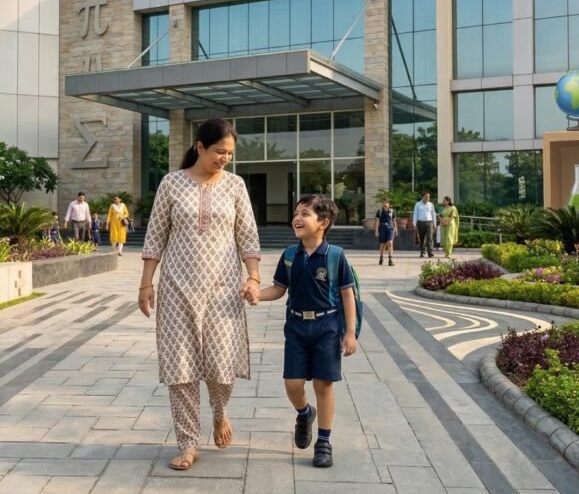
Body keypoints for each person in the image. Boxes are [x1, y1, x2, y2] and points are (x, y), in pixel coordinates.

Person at [138, 118, 261, 472]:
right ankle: (188, 443)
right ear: (200, 146)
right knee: (181, 368)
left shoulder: (235, 186)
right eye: (219, 151)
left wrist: (253, 278)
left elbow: (248, 237)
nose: (225, 158)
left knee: (221, 366)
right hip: (176, 289)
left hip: (223, 290)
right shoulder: (171, 183)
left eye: (230, 153)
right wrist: (147, 284)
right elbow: (155, 236)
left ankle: (220, 413)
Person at [246, 194, 356, 469]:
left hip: (326, 326)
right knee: (293, 384)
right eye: (296, 213)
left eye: (305, 213)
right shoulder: (289, 255)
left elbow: (347, 295)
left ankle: (323, 442)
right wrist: (257, 294)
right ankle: (305, 413)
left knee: (323, 384)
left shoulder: (335, 256)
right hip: (295, 326)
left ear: (323, 222)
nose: (297, 218)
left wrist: (350, 332)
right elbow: (280, 289)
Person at [412, 191, 436, 259]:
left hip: (429, 223)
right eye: (426, 197)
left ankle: (430, 253)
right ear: (423, 196)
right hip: (420, 223)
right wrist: (414, 223)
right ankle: (422, 252)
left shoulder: (431, 204)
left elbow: (433, 214)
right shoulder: (418, 204)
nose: (427, 198)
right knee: (422, 239)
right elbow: (415, 214)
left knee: (430, 238)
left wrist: (435, 224)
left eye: (428, 197)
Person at [373, 199, 397, 266]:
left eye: (386, 203)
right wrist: (376, 230)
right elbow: (377, 221)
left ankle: (390, 260)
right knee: (382, 245)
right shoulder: (379, 211)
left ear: (389, 204)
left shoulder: (392, 211)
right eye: (383, 203)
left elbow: (394, 221)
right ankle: (381, 258)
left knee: (390, 243)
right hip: (382, 228)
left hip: (390, 228)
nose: (385, 204)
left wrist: (396, 230)